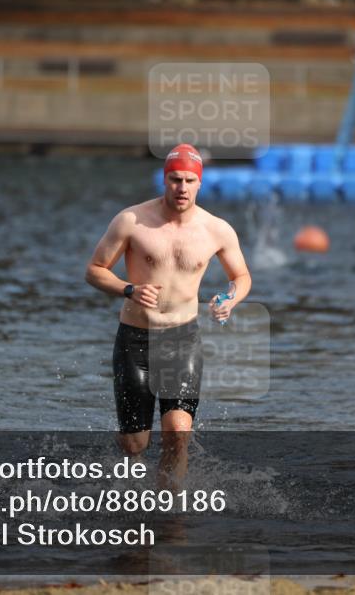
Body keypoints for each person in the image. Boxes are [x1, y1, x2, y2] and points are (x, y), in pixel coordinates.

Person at [85, 144, 252, 487]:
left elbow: (242, 277)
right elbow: (95, 270)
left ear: (200, 183)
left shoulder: (216, 229)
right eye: (175, 179)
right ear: (165, 179)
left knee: (178, 433)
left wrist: (230, 299)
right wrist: (128, 289)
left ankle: (169, 507)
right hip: (136, 339)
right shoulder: (132, 221)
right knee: (135, 444)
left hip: (182, 340)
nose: (182, 188)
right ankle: (128, 496)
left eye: (190, 180)